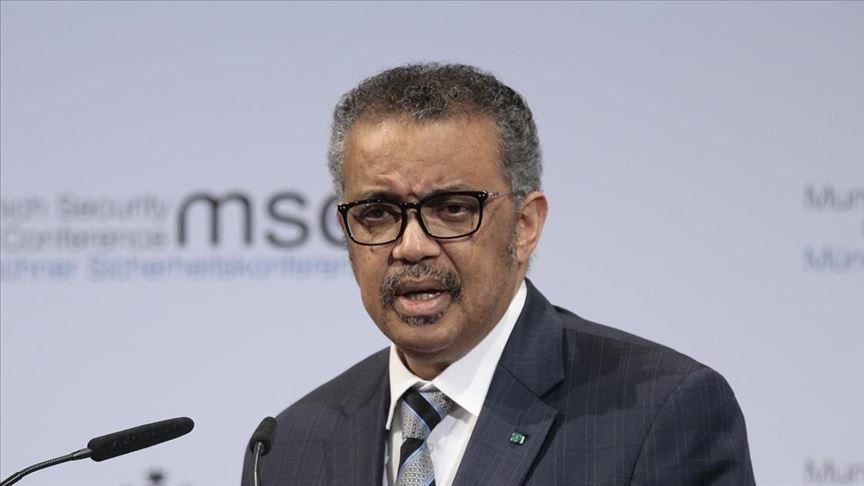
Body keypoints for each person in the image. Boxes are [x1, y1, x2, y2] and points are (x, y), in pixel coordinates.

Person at [242, 63, 755, 485]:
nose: (411, 246)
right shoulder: (289, 447)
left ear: (525, 225)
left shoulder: (659, 412)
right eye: (377, 213)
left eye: (453, 209)